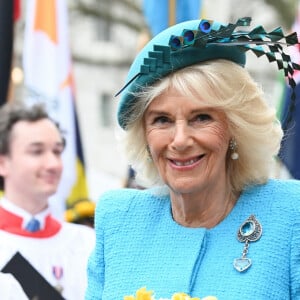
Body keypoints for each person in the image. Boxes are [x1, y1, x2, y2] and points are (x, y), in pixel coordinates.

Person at [85, 17, 300, 300]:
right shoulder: (118, 219)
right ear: (144, 138)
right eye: (162, 120)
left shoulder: (290, 213)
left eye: (201, 117)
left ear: (235, 128)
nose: (180, 140)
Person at [0, 102, 95, 300]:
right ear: (2, 163)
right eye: (37, 151)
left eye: (57, 151)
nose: (53, 164)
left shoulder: (88, 243)